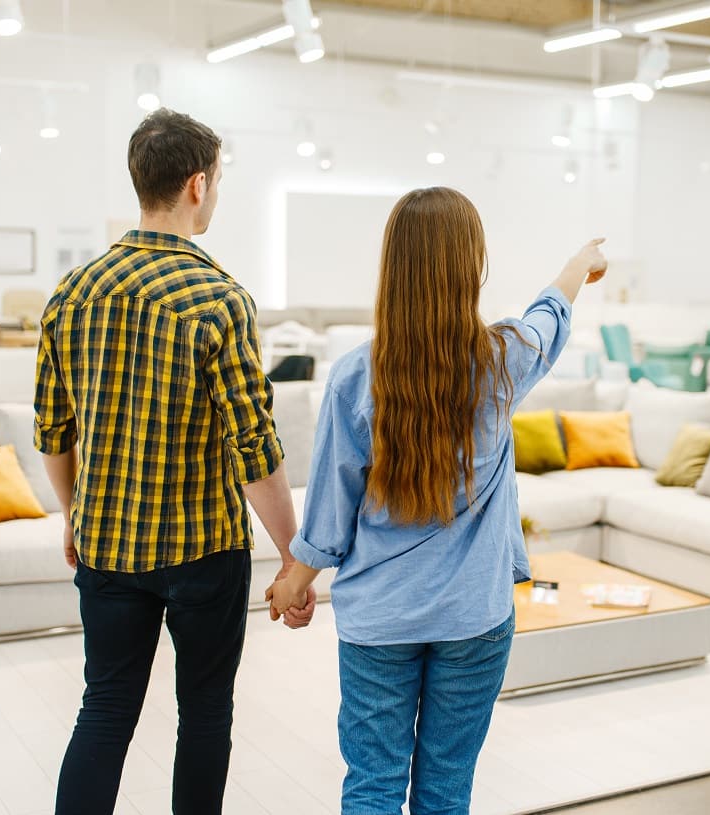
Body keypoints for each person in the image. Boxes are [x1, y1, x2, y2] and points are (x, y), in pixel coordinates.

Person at [266, 186, 607, 813]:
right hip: (474, 617)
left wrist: (296, 578)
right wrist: (579, 264)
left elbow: (331, 510)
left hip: (379, 621)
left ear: (391, 268)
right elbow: (549, 316)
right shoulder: (504, 361)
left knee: (371, 784)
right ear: (471, 268)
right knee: (447, 788)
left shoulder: (353, 375)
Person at [34, 108, 317, 815]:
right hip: (204, 553)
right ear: (197, 184)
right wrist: (293, 555)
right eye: (217, 181)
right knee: (206, 714)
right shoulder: (220, 299)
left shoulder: (72, 292)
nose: (215, 194)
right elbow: (255, 451)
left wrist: (74, 516)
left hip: (107, 546)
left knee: (105, 708)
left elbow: (51, 431)